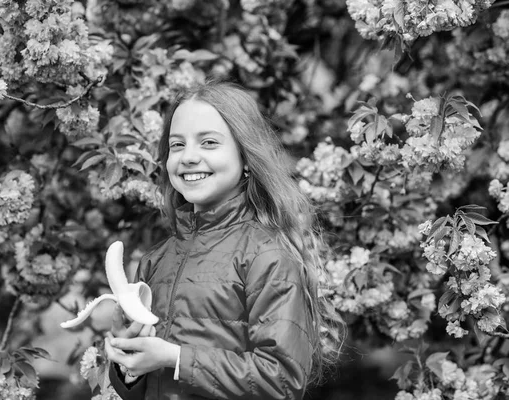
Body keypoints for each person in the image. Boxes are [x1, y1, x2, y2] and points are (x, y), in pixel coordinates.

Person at [104, 80, 342, 400]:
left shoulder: (266, 255)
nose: (188, 157)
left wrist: (175, 358)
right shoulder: (154, 261)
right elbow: (144, 387)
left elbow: (282, 380)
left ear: (245, 157)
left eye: (209, 143)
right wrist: (127, 365)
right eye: (177, 145)